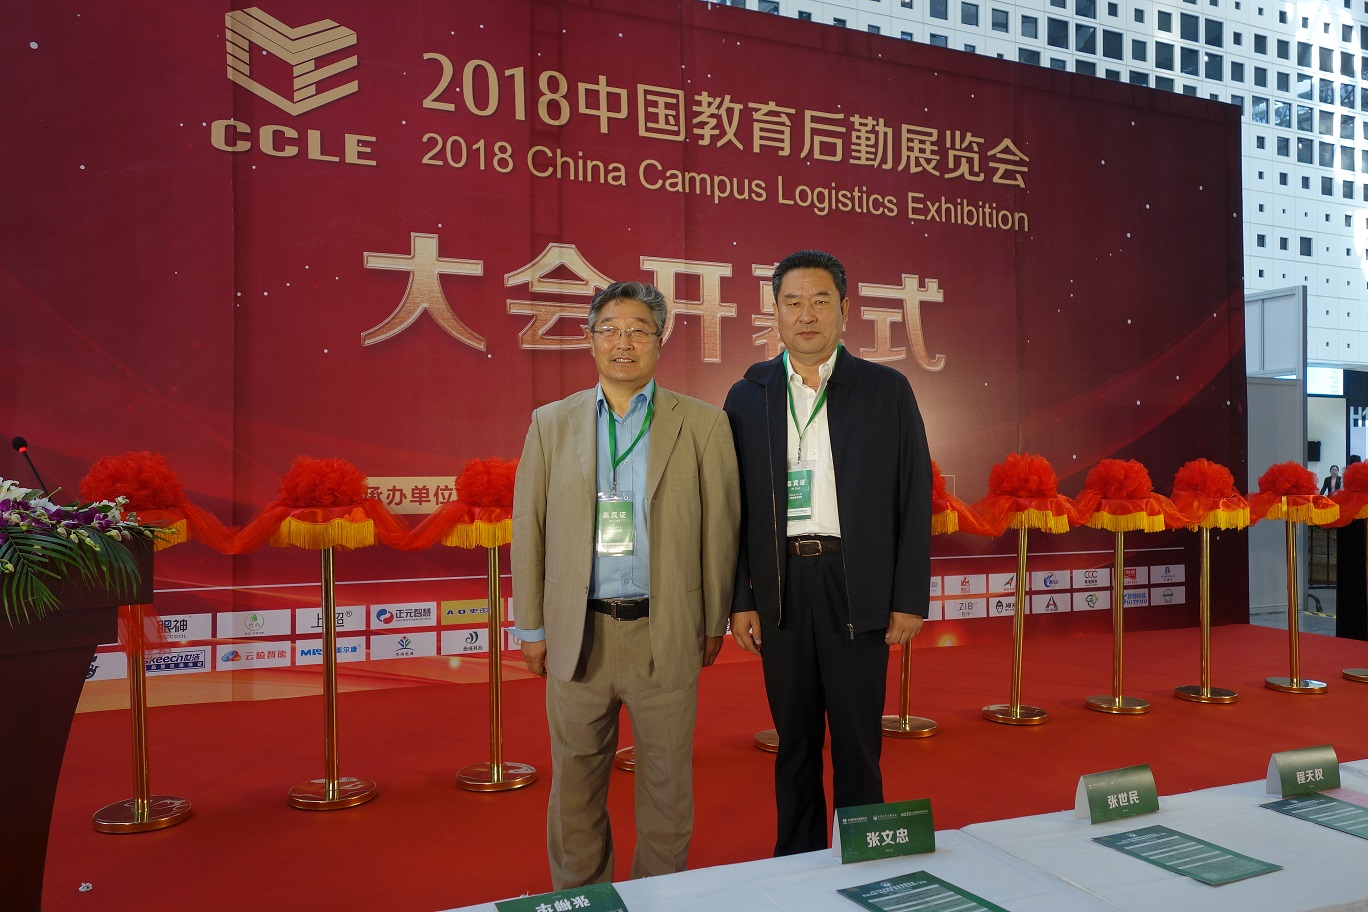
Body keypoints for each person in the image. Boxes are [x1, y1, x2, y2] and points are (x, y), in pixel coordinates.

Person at [511, 281, 740, 888]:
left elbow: (720, 531)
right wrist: (530, 627)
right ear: (589, 340)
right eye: (610, 329)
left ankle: (659, 896)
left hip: (665, 631)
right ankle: (582, 897)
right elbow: (529, 530)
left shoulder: (703, 424)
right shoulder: (550, 424)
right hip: (578, 632)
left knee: (667, 785)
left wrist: (712, 621)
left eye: (639, 329)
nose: (624, 342)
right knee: (575, 784)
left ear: (660, 341)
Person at [723, 249, 932, 856]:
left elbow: (913, 495)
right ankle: (797, 860)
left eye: (820, 301)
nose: (806, 315)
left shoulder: (886, 390)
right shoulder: (749, 395)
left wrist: (907, 597)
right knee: (793, 740)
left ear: (845, 309)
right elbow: (733, 510)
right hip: (781, 584)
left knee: (858, 738)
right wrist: (740, 598)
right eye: (792, 302)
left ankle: (863, 856)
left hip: (856, 580)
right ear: (775, 312)